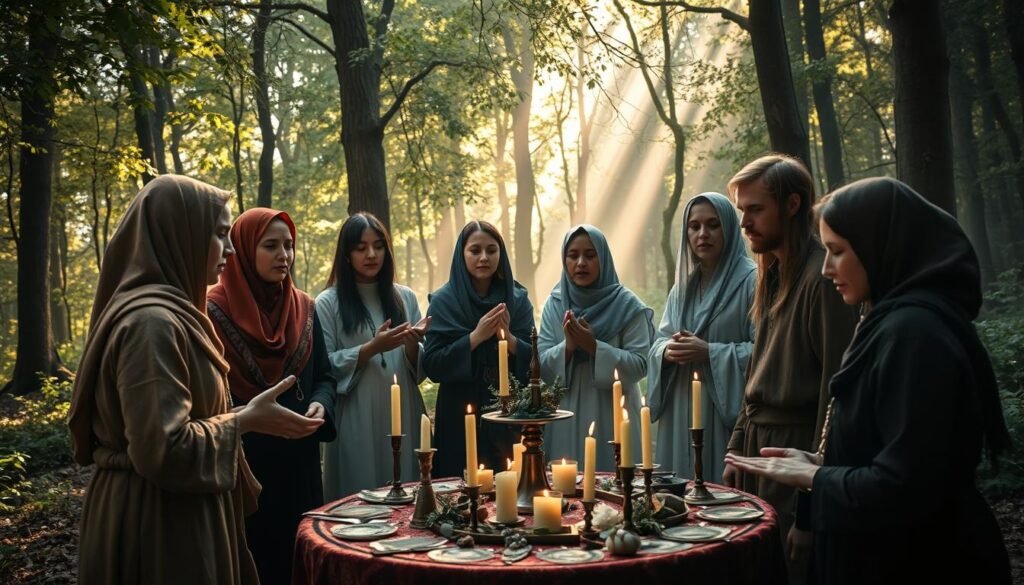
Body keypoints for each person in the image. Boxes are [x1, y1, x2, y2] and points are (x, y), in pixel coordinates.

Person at [726, 177, 1012, 584]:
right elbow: (894, 448)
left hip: (924, 560)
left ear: (882, 248)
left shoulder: (915, 335)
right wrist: (825, 461)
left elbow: (908, 486)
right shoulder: (890, 323)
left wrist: (817, 478)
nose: (826, 269)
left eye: (837, 252)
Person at [68, 175, 323, 585]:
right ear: (180, 233)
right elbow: (163, 449)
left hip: (179, 510)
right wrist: (245, 420)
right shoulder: (151, 325)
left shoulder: (176, 314)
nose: (231, 248)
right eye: (220, 234)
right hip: (157, 525)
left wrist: (245, 415)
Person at [723, 154, 858, 580]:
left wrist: (810, 512)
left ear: (793, 205)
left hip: (793, 456)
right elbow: (756, 375)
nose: (744, 223)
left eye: (756, 209)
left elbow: (834, 396)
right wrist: (737, 444)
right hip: (758, 453)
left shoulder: (824, 277)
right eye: (742, 211)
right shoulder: (774, 275)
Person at [206, 207, 337, 584]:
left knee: (302, 557)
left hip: (300, 461)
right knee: (257, 561)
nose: (284, 255)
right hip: (247, 463)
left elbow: (324, 377)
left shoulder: (304, 308)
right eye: (271, 245)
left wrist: (320, 403)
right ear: (245, 250)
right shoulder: (213, 313)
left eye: (289, 245)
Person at [315, 212, 429, 499]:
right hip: (356, 411)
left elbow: (420, 368)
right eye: (361, 247)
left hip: (403, 407)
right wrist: (371, 348)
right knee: (359, 494)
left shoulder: (405, 297)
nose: (371, 254)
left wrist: (414, 343)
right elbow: (323, 365)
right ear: (346, 253)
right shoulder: (328, 302)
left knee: (405, 492)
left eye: (378, 246)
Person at [647, 193, 755, 482]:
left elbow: (766, 352)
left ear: (730, 228)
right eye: (694, 226)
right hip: (680, 405)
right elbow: (659, 342)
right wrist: (667, 352)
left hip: (724, 413)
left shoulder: (752, 282)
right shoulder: (681, 288)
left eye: (712, 225)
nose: (702, 234)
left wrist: (710, 352)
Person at [424, 221, 534, 477]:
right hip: (459, 413)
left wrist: (508, 338)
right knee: (461, 490)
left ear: (501, 254)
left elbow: (535, 359)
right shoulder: (444, 301)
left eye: (491, 250)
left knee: (509, 490)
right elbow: (433, 365)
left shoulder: (517, 299)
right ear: (462, 254)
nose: (484, 257)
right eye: (475, 250)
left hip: (507, 412)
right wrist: (475, 337)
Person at [538, 225, 653, 470]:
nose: (581, 263)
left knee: (616, 488)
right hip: (565, 411)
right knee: (567, 487)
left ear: (604, 258)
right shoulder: (555, 303)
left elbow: (641, 364)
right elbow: (542, 366)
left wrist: (594, 347)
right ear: (564, 259)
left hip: (614, 410)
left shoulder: (627, 306)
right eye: (573, 255)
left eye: (590, 255)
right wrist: (568, 347)